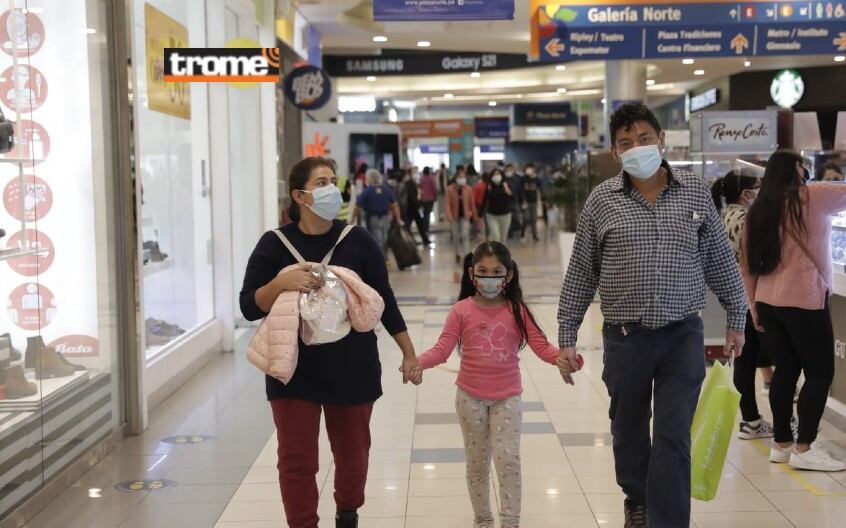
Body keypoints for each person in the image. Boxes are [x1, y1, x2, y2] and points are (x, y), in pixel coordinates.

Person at [558, 103, 746, 528]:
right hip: (627, 339)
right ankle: (636, 497)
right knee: (628, 431)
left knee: (673, 434)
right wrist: (566, 336)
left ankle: (669, 520)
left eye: (644, 139)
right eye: (626, 143)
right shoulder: (601, 202)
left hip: (682, 335)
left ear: (661, 141)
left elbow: (720, 259)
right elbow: (580, 272)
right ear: (614, 152)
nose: (637, 148)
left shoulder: (695, 192)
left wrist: (737, 316)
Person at [239, 157, 422, 528]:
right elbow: (248, 306)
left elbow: (383, 299)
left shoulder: (358, 240)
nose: (331, 190)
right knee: (296, 459)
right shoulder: (274, 244)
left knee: (353, 453)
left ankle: (348, 512)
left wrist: (408, 352)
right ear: (299, 195)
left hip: (352, 365)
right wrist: (279, 285)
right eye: (321, 182)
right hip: (292, 369)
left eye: (332, 181)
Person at [740, 150, 846, 472]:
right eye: (804, 166)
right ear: (796, 170)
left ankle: (782, 444)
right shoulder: (810, 196)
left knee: (785, 371)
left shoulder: (759, 208)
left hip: (770, 302)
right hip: (804, 299)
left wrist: (753, 305)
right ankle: (805, 447)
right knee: (819, 373)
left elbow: (747, 264)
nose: (807, 171)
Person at [412, 242, 578, 528]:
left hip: (507, 398)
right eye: (483, 272)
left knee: (508, 459)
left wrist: (564, 359)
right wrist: (417, 362)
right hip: (469, 398)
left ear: (509, 275)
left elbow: (541, 346)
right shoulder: (461, 310)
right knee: (477, 462)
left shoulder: (518, 310)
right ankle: (483, 519)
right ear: (471, 274)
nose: (490, 279)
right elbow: (442, 348)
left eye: (497, 272)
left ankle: (510, 521)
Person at [711, 171, 774, 440]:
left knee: (745, 362)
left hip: (736, 296)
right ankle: (774, 422)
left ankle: (750, 420)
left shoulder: (724, 216)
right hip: (752, 296)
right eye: (759, 187)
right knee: (767, 358)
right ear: (746, 194)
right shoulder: (746, 219)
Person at [354, 169, 400, 251]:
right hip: (385, 218)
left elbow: (358, 206)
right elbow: (395, 205)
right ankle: (384, 259)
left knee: (377, 240)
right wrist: (398, 219)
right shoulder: (386, 190)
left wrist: (352, 218)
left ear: (369, 178)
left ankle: (380, 260)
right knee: (384, 239)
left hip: (372, 218)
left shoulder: (367, 191)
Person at [445, 169, 477, 263]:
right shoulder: (450, 189)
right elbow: (447, 204)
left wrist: (474, 215)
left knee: (465, 235)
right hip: (454, 217)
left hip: (465, 216)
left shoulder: (468, 189)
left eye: (463, 177)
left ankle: (466, 255)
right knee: (455, 236)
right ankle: (457, 253)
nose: (462, 179)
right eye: (460, 177)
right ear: (456, 178)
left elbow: (472, 203)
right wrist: (449, 215)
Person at [482, 168, 514, 243]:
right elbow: (484, 200)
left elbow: (512, 198)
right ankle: (496, 253)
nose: (496, 176)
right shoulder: (489, 186)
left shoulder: (506, 185)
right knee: (496, 235)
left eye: (498, 174)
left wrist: (507, 191)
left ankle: (502, 254)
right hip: (491, 215)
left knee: (503, 238)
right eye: (494, 174)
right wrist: (480, 214)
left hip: (505, 215)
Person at [401, 169, 431, 246]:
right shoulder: (409, 183)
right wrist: (420, 204)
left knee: (416, 224)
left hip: (412, 208)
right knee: (410, 225)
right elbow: (412, 197)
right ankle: (415, 240)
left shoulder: (411, 183)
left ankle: (423, 239)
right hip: (411, 208)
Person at [520, 163, 542, 241]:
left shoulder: (536, 179)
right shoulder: (523, 179)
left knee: (534, 219)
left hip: (534, 201)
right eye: (528, 168)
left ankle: (534, 235)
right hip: (525, 202)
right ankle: (522, 234)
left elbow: (540, 187)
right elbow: (521, 190)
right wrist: (523, 200)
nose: (529, 170)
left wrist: (535, 178)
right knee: (525, 218)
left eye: (531, 168)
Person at [504, 164, 525, 240]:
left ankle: (515, 230)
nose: (509, 171)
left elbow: (520, 191)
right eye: (507, 170)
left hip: (515, 202)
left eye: (510, 170)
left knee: (517, 218)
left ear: (513, 171)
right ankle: (509, 233)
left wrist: (523, 200)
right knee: (507, 219)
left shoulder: (517, 180)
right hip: (506, 202)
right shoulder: (503, 180)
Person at [419, 166, 438, 235]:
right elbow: (434, 188)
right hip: (430, 199)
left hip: (423, 198)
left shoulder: (422, 179)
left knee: (425, 213)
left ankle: (424, 227)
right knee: (428, 213)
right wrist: (435, 197)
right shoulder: (431, 179)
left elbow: (420, 188)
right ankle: (426, 228)